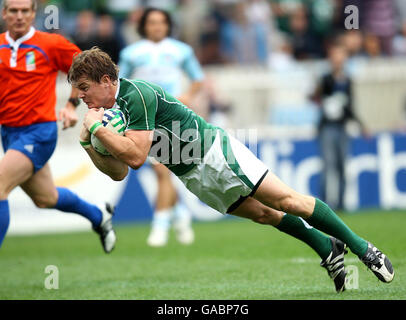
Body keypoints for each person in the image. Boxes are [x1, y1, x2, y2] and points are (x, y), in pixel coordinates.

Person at [69, 47, 394, 293]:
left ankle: (364, 248)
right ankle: (327, 247)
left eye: (84, 87)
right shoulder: (107, 116)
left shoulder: (134, 94)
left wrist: (98, 131)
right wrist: (87, 142)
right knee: (265, 215)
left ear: (108, 81)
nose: (80, 96)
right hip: (192, 174)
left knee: (287, 201)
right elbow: (119, 172)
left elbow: (137, 157)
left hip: (214, 153)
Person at [0, 0, 115, 253]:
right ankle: (99, 217)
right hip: (9, 133)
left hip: (38, 131)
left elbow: (83, 70)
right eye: (13, 10)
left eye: (24, 11)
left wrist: (72, 104)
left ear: (33, 14)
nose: (19, 16)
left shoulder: (50, 44)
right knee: (45, 198)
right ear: (4, 13)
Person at [118, 7, 204, 247]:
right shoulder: (132, 53)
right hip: (144, 118)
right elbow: (119, 84)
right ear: (144, 26)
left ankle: (160, 226)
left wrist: (186, 97)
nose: (157, 27)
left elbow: (198, 78)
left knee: (161, 170)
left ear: (168, 26)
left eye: (161, 22)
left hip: (172, 116)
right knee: (162, 170)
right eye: (152, 22)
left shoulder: (180, 51)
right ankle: (181, 215)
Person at [312, 42, 367, 210]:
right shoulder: (326, 79)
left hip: (342, 128)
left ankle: (341, 204)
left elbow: (349, 107)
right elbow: (316, 97)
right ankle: (323, 205)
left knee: (342, 166)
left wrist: (361, 124)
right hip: (327, 128)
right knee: (328, 167)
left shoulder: (347, 80)